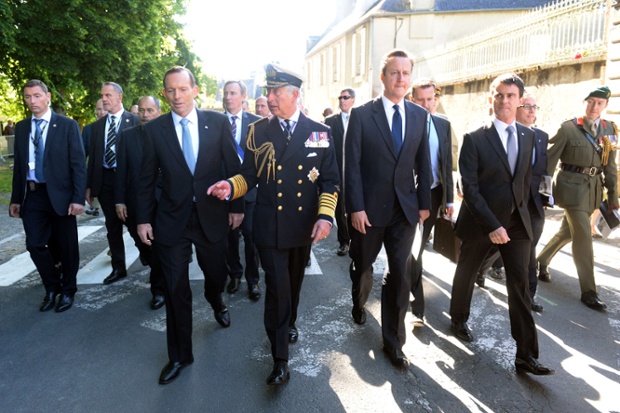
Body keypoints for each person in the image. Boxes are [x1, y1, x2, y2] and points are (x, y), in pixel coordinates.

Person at [208, 63, 339, 385]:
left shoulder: (319, 132)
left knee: (293, 284)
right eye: (268, 92)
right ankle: (280, 358)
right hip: (269, 225)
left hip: (302, 226)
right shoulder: (259, 131)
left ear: (295, 95)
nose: (270, 98)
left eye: (276, 92)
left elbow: (331, 180)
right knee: (278, 289)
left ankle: (289, 321)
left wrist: (325, 216)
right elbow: (249, 175)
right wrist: (231, 186)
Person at [137, 66, 243, 385]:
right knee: (175, 288)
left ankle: (216, 299)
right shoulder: (154, 131)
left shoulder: (218, 122)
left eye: (182, 89)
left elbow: (233, 167)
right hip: (172, 221)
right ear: (165, 93)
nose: (176, 96)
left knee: (216, 274)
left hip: (211, 215)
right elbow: (144, 179)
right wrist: (143, 218)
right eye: (170, 90)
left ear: (195, 90)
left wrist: (236, 206)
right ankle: (180, 355)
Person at [449, 73, 554, 376]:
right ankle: (458, 318)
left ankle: (526, 355)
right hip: (483, 222)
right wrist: (492, 225)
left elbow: (524, 181)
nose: (505, 101)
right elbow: (470, 188)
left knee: (520, 285)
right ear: (490, 98)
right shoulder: (474, 138)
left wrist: (532, 214)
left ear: (520, 100)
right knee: (467, 273)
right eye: (499, 95)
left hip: (518, 224)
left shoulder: (528, 136)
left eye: (511, 96)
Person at [345, 49, 431, 369]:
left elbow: (423, 163)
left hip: (404, 211)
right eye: (395, 73)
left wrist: (424, 205)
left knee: (400, 274)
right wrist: (355, 207)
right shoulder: (362, 115)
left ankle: (394, 342)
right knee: (362, 266)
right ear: (383, 77)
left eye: (406, 73)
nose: (401, 79)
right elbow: (351, 166)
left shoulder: (420, 116)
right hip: (368, 211)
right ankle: (358, 300)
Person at [537, 86, 618, 310]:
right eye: (590, 101)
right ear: (584, 102)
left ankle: (540, 261)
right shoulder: (568, 129)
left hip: (593, 190)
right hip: (570, 191)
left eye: (599, 103)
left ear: (605, 106)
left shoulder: (609, 129)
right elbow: (548, 165)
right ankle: (589, 291)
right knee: (583, 236)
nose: (594, 107)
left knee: (567, 232)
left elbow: (610, 166)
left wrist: (613, 197)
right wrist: (544, 194)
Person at [9, 79, 86, 312]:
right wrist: (15, 198)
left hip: (62, 195)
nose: (32, 101)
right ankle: (52, 286)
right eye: (28, 97)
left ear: (48, 96)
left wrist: (78, 198)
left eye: (37, 96)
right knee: (34, 244)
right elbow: (21, 167)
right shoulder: (22, 128)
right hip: (33, 195)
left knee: (67, 245)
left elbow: (78, 164)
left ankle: (68, 290)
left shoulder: (66, 125)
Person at [473, 94, 549, 313]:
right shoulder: (504, 134)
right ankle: (481, 268)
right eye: (527, 106)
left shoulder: (542, 136)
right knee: (498, 244)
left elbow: (544, 171)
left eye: (535, 107)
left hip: (533, 203)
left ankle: (529, 295)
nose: (532, 111)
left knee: (530, 247)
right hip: (509, 203)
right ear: (516, 107)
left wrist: (546, 197)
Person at [408, 78, 454, 327]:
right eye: (421, 100)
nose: (427, 105)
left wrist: (449, 200)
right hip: (411, 197)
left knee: (418, 248)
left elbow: (447, 163)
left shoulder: (443, 124)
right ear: (412, 100)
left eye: (430, 99)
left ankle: (405, 291)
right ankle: (417, 307)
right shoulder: (406, 123)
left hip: (435, 194)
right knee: (415, 250)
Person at [114, 96, 166, 310]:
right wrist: (119, 201)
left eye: (150, 110)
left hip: (164, 203)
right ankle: (155, 269)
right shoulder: (127, 136)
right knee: (145, 247)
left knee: (159, 248)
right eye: (142, 111)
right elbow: (121, 171)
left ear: (158, 112)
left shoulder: (168, 134)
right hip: (136, 203)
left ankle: (159, 290)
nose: (145, 115)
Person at [86, 82, 139, 285]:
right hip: (106, 180)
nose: (104, 99)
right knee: (112, 226)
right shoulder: (97, 127)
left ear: (119, 97)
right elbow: (94, 158)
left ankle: (148, 256)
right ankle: (119, 268)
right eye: (102, 95)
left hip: (128, 181)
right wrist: (89, 186)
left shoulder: (134, 121)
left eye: (108, 95)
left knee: (134, 224)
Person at [222, 80, 262, 300]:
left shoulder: (258, 123)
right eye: (226, 93)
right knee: (230, 237)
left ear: (244, 96)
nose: (228, 97)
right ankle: (235, 274)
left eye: (233, 93)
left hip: (251, 192)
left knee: (251, 237)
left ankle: (253, 280)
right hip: (226, 191)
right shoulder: (216, 122)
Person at [324, 88, 355, 257]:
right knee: (339, 208)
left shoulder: (361, 118)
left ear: (353, 100)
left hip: (355, 173)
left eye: (346, 97)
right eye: (340, 97)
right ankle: (344, 241)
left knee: (355, 207)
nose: (342, 100)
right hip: (336, 172)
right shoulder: (330, 121)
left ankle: (355, 238)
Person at [83, 99, 107, 217]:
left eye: (104, 109)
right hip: (96, 174)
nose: (101, 112)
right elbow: (83, 156)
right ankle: (95, 207)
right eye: (98, 109)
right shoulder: (89, 129)